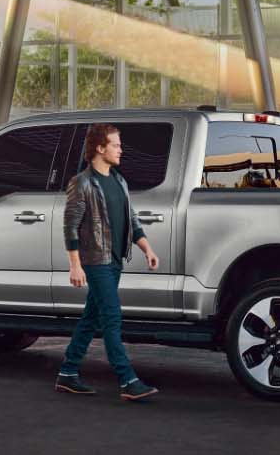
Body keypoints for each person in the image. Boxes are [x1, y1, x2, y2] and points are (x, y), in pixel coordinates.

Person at [55, 123, 161, 401]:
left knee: (91, 318)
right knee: (112, 318)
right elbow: (71, 227)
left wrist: (146, 248)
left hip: (115, 260)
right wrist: (75, 265)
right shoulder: (82, 182)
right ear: (100, 149)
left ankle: (67, 372)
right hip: (95, 261)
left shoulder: (118, 180)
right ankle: (127, 379)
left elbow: (132, 220)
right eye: (115, 145)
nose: (121, 150)